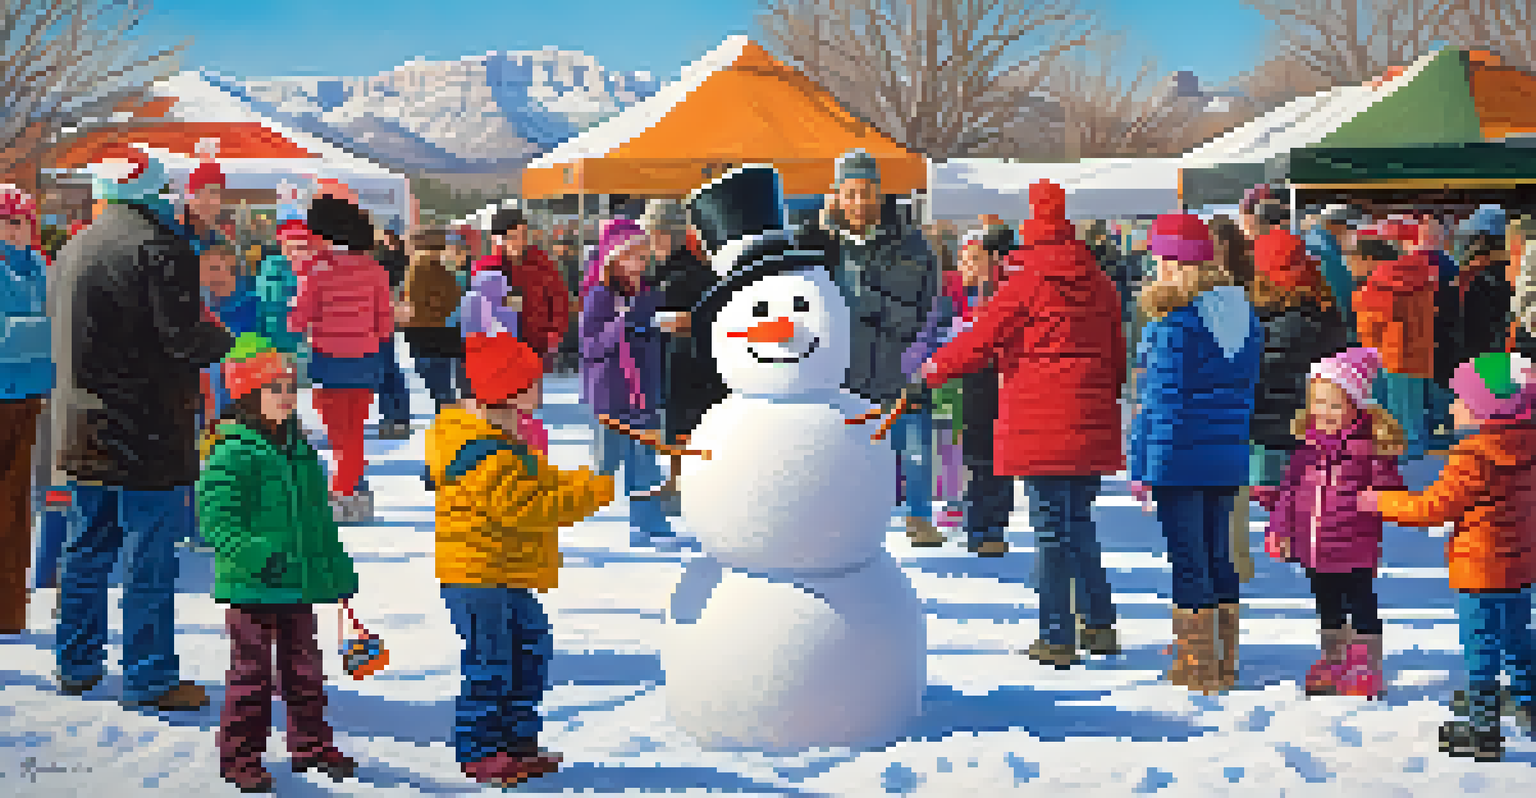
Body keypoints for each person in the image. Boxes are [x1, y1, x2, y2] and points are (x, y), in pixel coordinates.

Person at [51, 146, 232, 710]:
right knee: (149, 557)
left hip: (81, 423)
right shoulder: (162, 248)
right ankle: (150, 676)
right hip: (145, 428)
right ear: (156, 188)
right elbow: (179, 339)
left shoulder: (75, 245)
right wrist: (221, 339)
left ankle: (76, 663)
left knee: (86, 548)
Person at [921, 182, 1126, 667]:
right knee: (1078, 522)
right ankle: (1098, 625)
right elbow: (1118, 355)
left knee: (1052, 530)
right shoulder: (1100, 282)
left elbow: (980, 341)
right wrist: (1101, 400)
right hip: (1089, 417)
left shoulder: (1026, 282)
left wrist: (931, 371)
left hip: (1041, 421)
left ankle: (1057, 634)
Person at [425, 329, 615, 787]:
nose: (542, 387)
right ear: (507, 391)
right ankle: (480, 749)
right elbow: (527, 507)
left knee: (530, 648)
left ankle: (517, 741)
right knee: (491, 662)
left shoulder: (506, 442)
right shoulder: (481, 454)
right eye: (533, 382)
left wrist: (582, 482)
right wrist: (591, 495)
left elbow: (544, 481)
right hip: (477, 575)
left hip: (503, 573)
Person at [197, 334, 359, 792]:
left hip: (298, 583)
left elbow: (318, 522)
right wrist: (257, 555)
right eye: (275, 389)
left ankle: (310, 744)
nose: (287, 397)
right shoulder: (231, 454)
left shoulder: (300, 451)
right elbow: (216, 521)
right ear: (248, 395)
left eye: (290, 387)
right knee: (251, 676)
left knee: (304, 669)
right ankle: (240, 756)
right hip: (252, 584)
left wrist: (335, 567)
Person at [1360, 352, 1536, 762]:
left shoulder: (1473, 457)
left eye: (1459, 400)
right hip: (1521, 565)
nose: (1451, 406)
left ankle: (1483, 729)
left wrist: (1380, 501)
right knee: (1516, 638)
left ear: (1483, 410)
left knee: (1481, 647)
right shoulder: (1528, 448)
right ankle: (1530, 705)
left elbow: (1432, 509)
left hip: (1478, 570)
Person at [1128, 213, 1263, 695]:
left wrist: (1140, 463)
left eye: (1159, 259)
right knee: (1218, 555)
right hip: (1226, 454)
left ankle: (1195, 665)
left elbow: (1159, 403)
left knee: (1188, 560)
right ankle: (1224, 663)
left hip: (1177, 456)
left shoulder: (1174, 325)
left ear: (1175, 263)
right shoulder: (1243, 316)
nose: (1153, 269)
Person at [801, 149, 938, 545]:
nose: (859, 203)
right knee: (844, 449)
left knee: (914, 445)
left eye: (866, 192)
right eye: (851, 193)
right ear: (838, 196)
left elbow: (925, 306)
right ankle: (846, 517)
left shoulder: (910, 244)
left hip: (900, 361)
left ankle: (919, 517)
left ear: (880, 193)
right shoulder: (820, 243)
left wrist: (873, 305)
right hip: (843, 367)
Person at [1252, 347, 1404, 700]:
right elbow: (1291, 494)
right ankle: (1333, 660)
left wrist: (1381, 486)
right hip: (1314, 547)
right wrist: (1279, 526)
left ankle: (1365, 667)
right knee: (1328, 606)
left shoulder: (1369, 451)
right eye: (1319, 404)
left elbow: (1392, 493)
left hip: (1355, 546)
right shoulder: (1305, 452)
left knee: (1361, 603)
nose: (1325, 412)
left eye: (1336, 405)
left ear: (1357, 407)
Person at [1240, 229, 1350, 582]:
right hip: (1312, 421)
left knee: (1273, 486)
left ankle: (1283, 526)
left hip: (1264, 425)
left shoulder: (1252, 317)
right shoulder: (1327, 309)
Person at [289, 194, 393, 524]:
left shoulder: (316, 271)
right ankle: (350, 493)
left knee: (338, 436)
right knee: (355, 433)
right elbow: (385, 323)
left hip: (327, 362)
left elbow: (297, 319)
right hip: (364, 362)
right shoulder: (375, 271)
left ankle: (341, 493)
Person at [580, 219, 678, 548]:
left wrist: (662, 329)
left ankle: (648, 519)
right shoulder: (600, 296)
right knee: (606, 462)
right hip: (610, 392)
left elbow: (651, 335)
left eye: (643, 253)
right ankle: (581, 511)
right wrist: (621, 324)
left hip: (644, 391)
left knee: (645, 461)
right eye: (633, 254)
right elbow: (589, 346)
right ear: (614, 258)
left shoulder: (649, 293)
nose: (641, 260)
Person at [641, 199, 726, 513]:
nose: (649, 242)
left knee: (689, 425)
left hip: (692, 363)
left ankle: (688, 487)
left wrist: (689, 322)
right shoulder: (659, 271)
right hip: (673, 361)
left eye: (652, 234)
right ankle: (677, 482)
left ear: (666, 234)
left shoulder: (695, 272)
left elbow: (714, 316)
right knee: (677, 425)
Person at [0, 185, 52, 634]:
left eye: (24, 221)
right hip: (2, 389)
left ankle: (10, 608)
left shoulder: (38, 265)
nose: (18, 229)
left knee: (19, 504)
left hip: (31, 392)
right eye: (11, 220)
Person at [1350, 228, 1438, 460]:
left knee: (1395, 419)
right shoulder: (1418, 276)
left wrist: (1359, 297)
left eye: (1353, 259)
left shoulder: (1380, 283)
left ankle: (1403, 470)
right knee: (1414, 416)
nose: (1350, 266)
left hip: (1388, 357)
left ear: (1369, 259)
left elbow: (1370, 326)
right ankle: (1417, 463)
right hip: (1419, 354)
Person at [401, 229, 469, 413]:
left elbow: (418, 302)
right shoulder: (442, 270)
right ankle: (452, 421)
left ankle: (452, 423)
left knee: (439, 388)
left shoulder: (419, 268)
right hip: (445, 335)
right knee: (443, 386)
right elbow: (454, 299)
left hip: (425, 336)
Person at [372, 228, 412, 439]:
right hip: (376, 322)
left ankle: (396, 417)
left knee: (388, 369)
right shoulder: (379, 259)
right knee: (386, 370)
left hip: (381, 322)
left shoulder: (394, 262)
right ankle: (393, 417)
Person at [1307, 204, 1366, 344]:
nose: (1353, 232)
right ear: (1332, 225)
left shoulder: (1317, 244)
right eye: (1350, 227)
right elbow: (1344, 298)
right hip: (1337, 335)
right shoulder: (1327, 255)